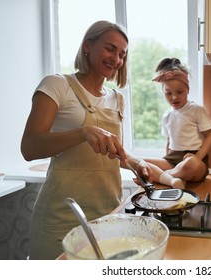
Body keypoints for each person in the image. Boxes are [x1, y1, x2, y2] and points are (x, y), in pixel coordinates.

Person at [20, 20, 151, 259]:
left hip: (107, 214)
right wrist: (83, 133)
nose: (117, 59)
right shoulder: (57, 85)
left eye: (122, 54)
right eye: (110, 48)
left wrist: (138, 163)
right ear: (87, 46)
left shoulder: (117, 99)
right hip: (61, 218)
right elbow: (29, 147)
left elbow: (112, 151)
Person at [144, 58, 211, 189]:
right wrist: (165, 159)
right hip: (173, 160)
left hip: (194, 161)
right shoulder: (167, 115)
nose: (174, 97)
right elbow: (168, 141)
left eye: (179, 92)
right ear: (163, 92)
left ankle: (167, 176)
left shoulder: (196, 110)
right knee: (142, 162)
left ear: (187, 90)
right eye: (168, 93)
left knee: (190, 164)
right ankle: (175, 177)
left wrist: (198, 157)